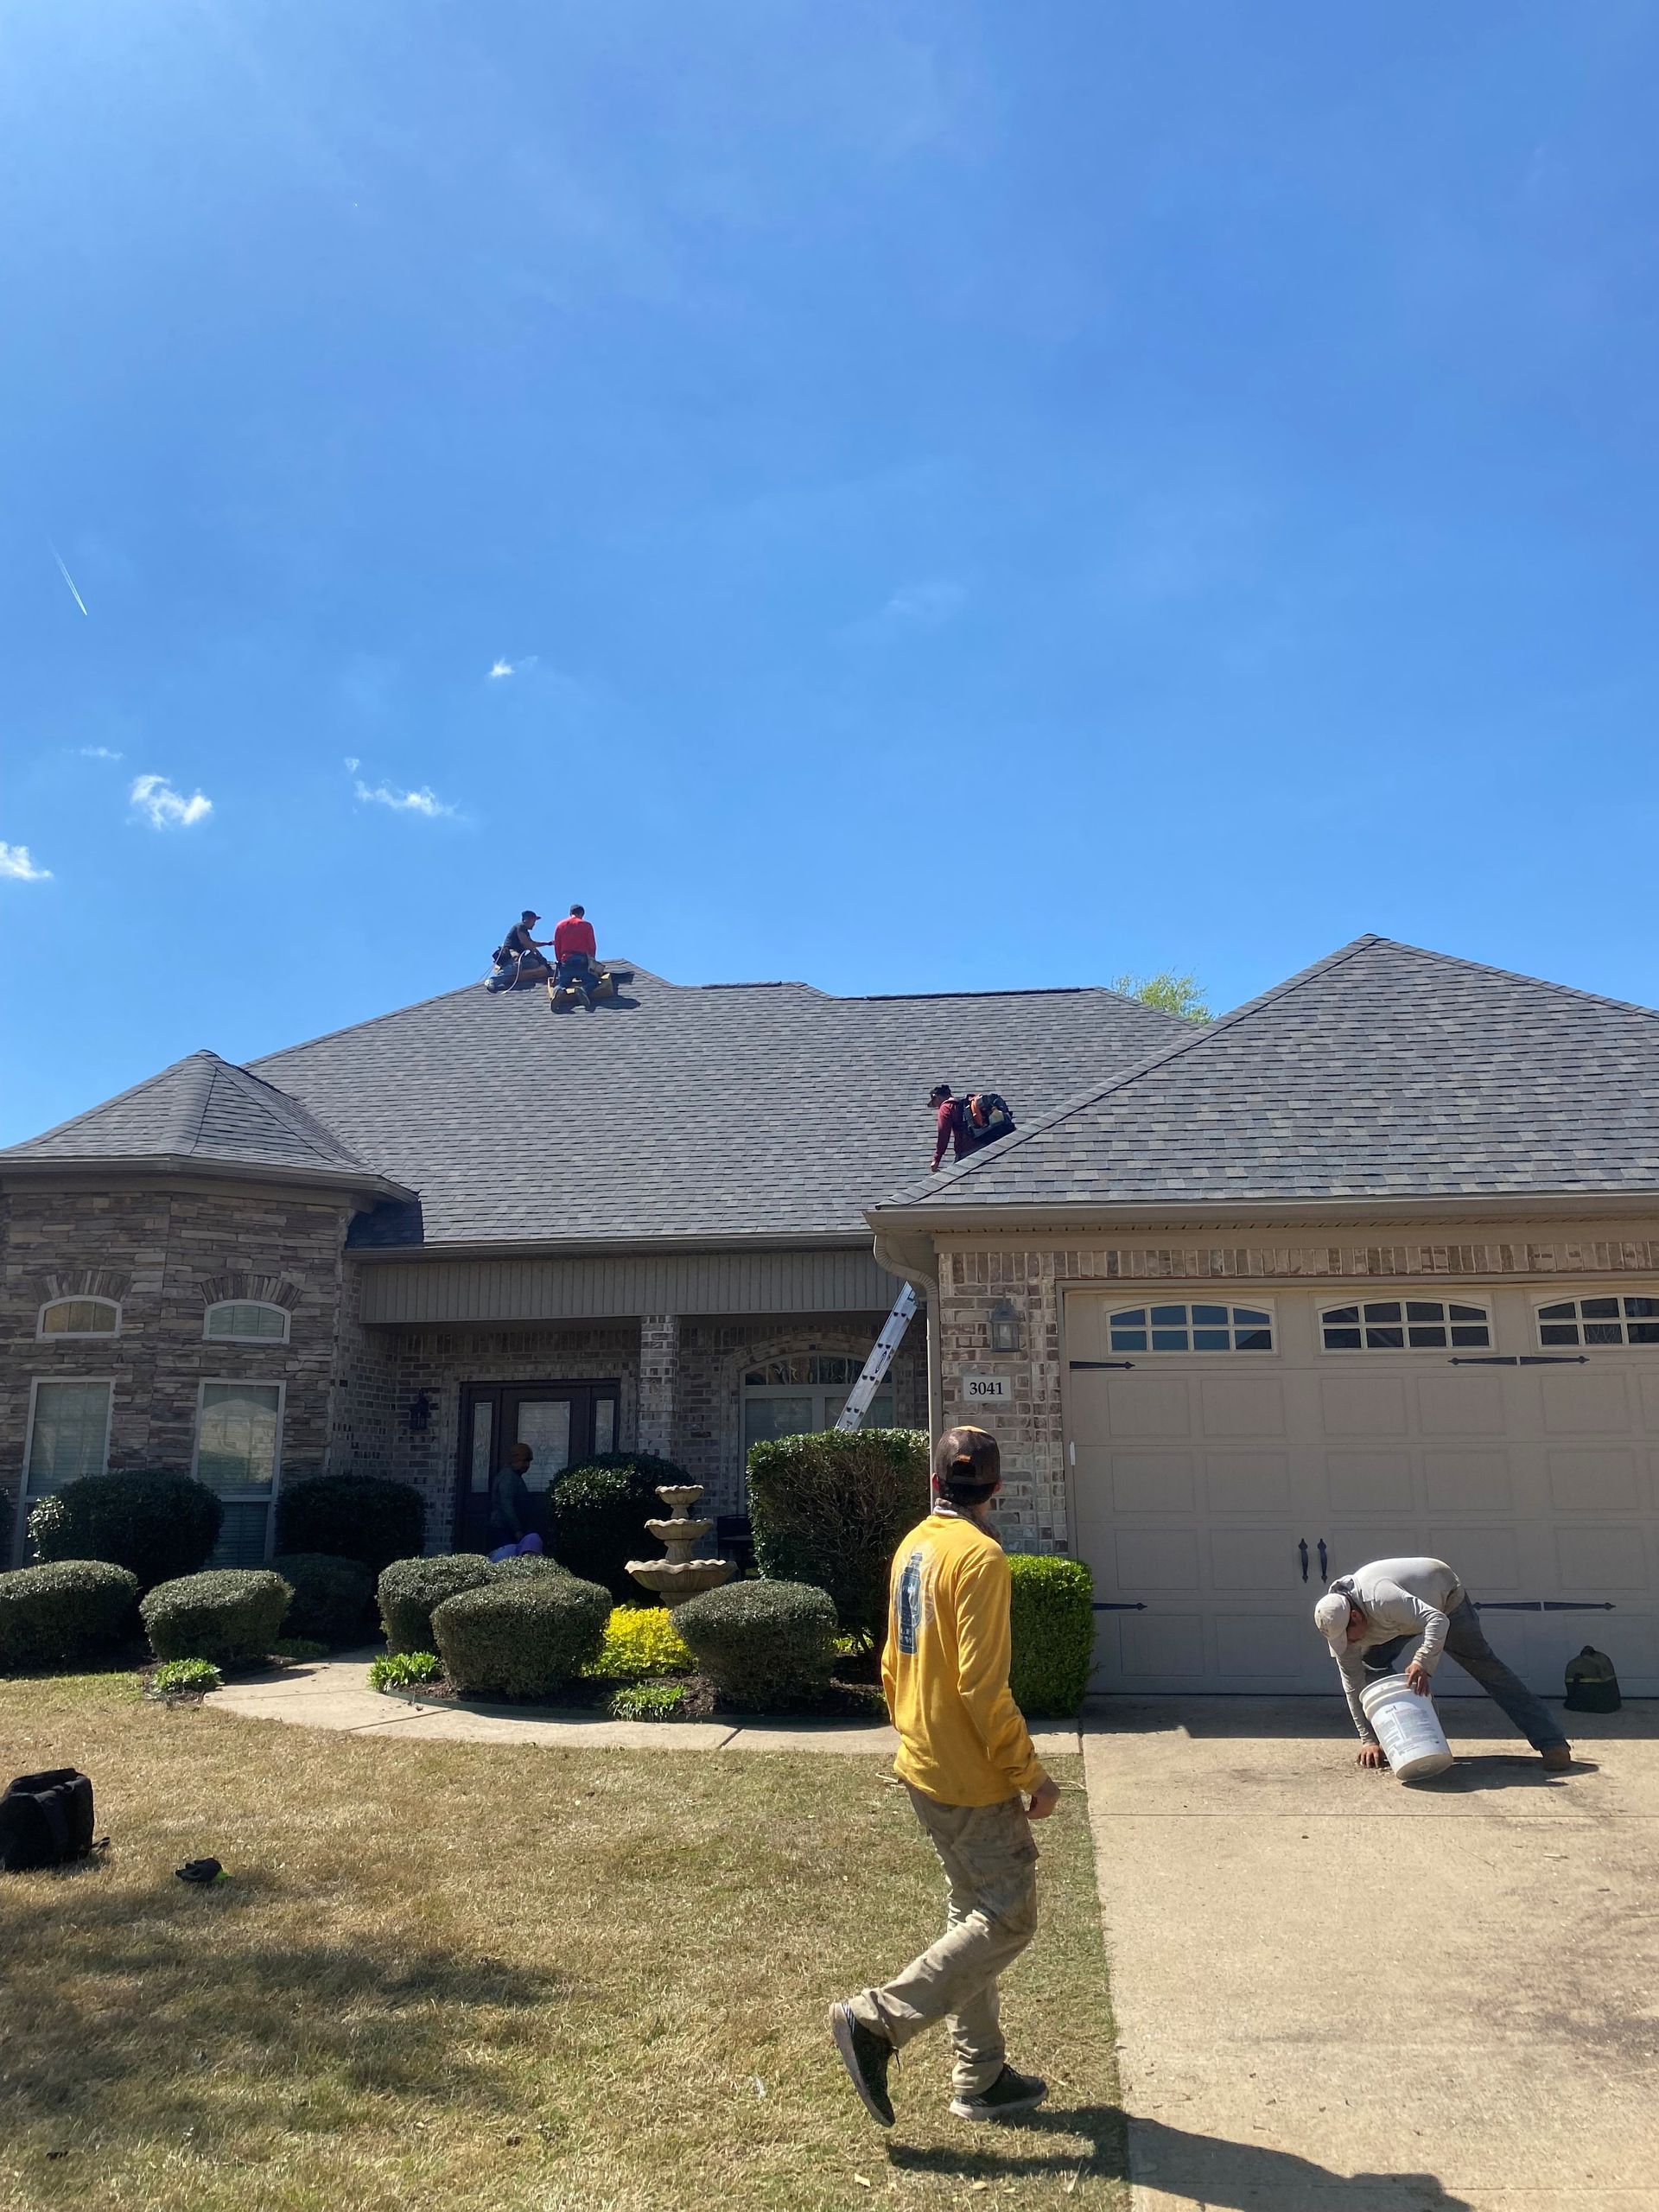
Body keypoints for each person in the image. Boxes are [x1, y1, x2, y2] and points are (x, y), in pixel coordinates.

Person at [830, 1426, 1058, 2130]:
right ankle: (878, 2020)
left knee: (972, 1911)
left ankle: (981, 2076)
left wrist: (911, 1729)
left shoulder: (914, 1546)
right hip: (971, 1776)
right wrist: (1032, 1775)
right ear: (997, 1487)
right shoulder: (982, 1559)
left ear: (936, 1484)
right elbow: (982, 1688)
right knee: (1009, 1917)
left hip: (922, 1760)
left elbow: (894, 1657)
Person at [1313, 1557, 1573, 1770]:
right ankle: (1414, 1742)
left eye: (1347, 1636)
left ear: (1356, 1617)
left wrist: (1423, 1662)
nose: (1347, 1644)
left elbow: (1437, 1621)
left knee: (1485, 1666)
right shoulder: (1340, 1624)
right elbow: (1352, 1686)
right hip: (1400, 1621)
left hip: (1444, 1601)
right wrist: (1368, 1739)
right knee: (1372, 1668)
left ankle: (1552, 1742)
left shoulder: (1382, 1597)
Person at [929, 1085, 1016, 1172]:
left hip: (967, 1149)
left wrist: (937, 1159)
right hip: (986, 1142)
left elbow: (943, 1134)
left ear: (937, 1097)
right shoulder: (961, 1105)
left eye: (934, 1102)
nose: (936, 1106)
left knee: (952, 1178)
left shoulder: (946, 1107)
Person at [487, 1442, 537, 1549]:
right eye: (524, 1461)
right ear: (515, 1460)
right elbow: (506, 1505)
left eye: (528, 1462)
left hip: (508, 1528)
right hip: (504, 1528)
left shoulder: (514, 1476)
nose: (527, 1465)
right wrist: (517, 1530)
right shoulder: (508, 1477)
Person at [487, 912, 552, 992]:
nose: (534, 924)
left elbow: (532, 943)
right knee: (516, 965)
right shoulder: (520, 927)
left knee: (533, 963)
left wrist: (547, 943)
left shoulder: (525, 931)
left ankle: (511, 975)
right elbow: (525, 943)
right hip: (511, 954)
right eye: (533, 921)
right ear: (527, 920)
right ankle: (494, 981)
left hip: (517, 956)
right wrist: (536, 953)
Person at [552, 903, 599, 1010]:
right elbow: (592, 946)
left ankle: (559, 990)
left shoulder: (560, 925)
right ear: (582, 914)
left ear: (570, 913)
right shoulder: (586, 925)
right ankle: (583, 990)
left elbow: (557, 945)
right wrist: (592, 960)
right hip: (581, 960)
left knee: (563, 982)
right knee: (593, 981)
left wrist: (559, 960)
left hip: (566, 960)